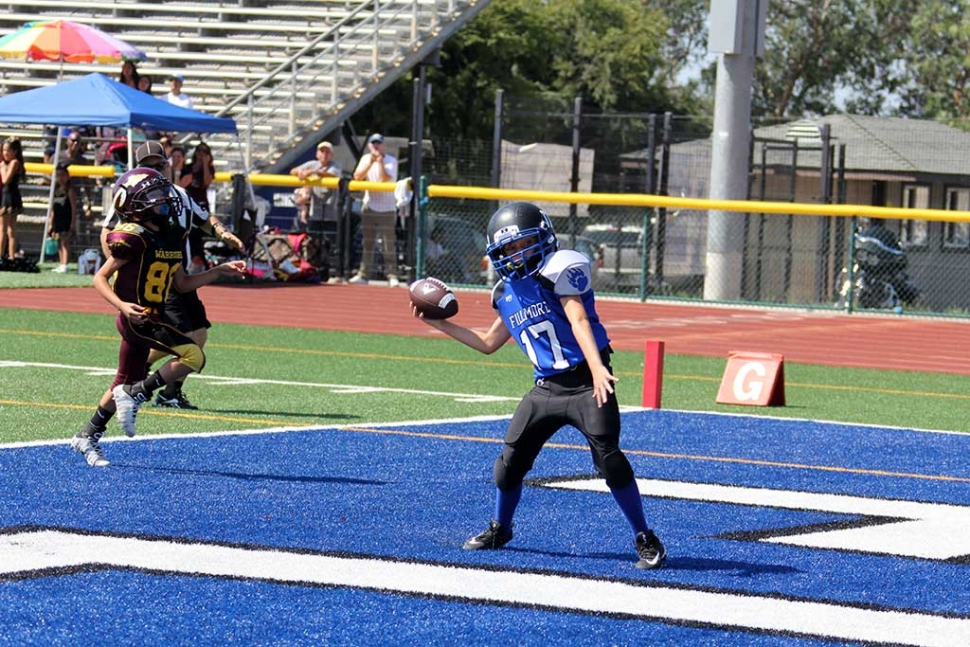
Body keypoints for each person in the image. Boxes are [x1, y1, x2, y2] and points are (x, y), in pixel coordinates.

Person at [412, 202, 666, 570]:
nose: (517, 254)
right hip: (545, 389)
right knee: (508, 465)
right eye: (509, 249)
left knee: (610, 461)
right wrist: (440, 324)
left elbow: (578, 319)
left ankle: (645, 536)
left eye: (523, 244)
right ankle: (501, 528)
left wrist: (597, 368)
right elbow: (487, 343)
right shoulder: (505, 293)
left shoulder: (557, 271)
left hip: (584, 383)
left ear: (544, 238)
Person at [71, 167, 246, 467]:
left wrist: (219, 271)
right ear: (134, 204)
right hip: (137, 318)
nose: (163, 199)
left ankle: (87, 434)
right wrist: (123, 306)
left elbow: (182, 284)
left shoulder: (168, 235)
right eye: (153, 196)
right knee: (194, 355)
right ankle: (137, 394)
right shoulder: (134, 237)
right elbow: (99, 278)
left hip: (151, 317)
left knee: (123, 380)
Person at [100, 141, 244, 410]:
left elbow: (205, 218)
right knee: (188, 342)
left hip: (176, 270)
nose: (156, 170)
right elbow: (108, 231)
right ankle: (143, 382)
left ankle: (164, 389)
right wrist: (122, 264)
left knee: (198, 336)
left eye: (160, 164)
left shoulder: (178, 193)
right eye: (149, 166)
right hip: (156, 277)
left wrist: (224, 234)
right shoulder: (132, 193)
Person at [351, 133, 398, 285]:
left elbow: (385, 179)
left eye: (379, 143)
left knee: (388, 244)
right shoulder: (365, 159)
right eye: (373, 143)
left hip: (387, 208)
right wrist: (370, 163)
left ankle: (391, 275)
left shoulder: (392, 161)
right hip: (370, 206)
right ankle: (363, 275)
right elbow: (357, 177)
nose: (376, 146)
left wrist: (380, 162)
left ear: (383, 145)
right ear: (370, 146)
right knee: (368, 243)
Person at [289, 140, 342, 241]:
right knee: (312, 242)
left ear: (332, 155)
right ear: (317, 154)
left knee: (330, 243)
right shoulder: (312, 164)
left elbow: (331, 175)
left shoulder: (335, 165)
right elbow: (292, 171)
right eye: (322, 151)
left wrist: (312, 172)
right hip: (315, 213)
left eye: (327, 152)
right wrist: (300, 171)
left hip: (331, 214)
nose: (324, 154)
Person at [179, 141, 216, 273]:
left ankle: (201, 262)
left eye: (204, 152)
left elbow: (206, 182)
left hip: (201, 207)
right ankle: (199, 262)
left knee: (197, 234)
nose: (201, 154)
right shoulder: (188, 168)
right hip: (188, 205)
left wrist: (205, 164)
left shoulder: (209, 169)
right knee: (190, 234)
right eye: (199, 151)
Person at [47, 162, 77, 273]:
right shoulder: (56, 191)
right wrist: (51, 223)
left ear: (68, 176)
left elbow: (74, 208)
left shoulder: (70, 191)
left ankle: (65, 264)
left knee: (65, 242)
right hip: (57, 219)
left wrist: (73, 223)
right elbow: (53, 209)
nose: (60, 178)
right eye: (58, 175)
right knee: (59, 241)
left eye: (63, 175)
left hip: (66, 218)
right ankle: (61, 263)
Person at [0, 137, 25, 262]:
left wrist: (3, 166)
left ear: (14, 151)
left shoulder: (14, 163)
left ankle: (8, 256)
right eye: (3, 150)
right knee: (6, 229)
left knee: (6, 229)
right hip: (4, 195)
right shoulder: (5, 163)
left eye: (7, 150)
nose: (5, 153)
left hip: (9, 197)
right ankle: (8, 255)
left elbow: (5, 180)